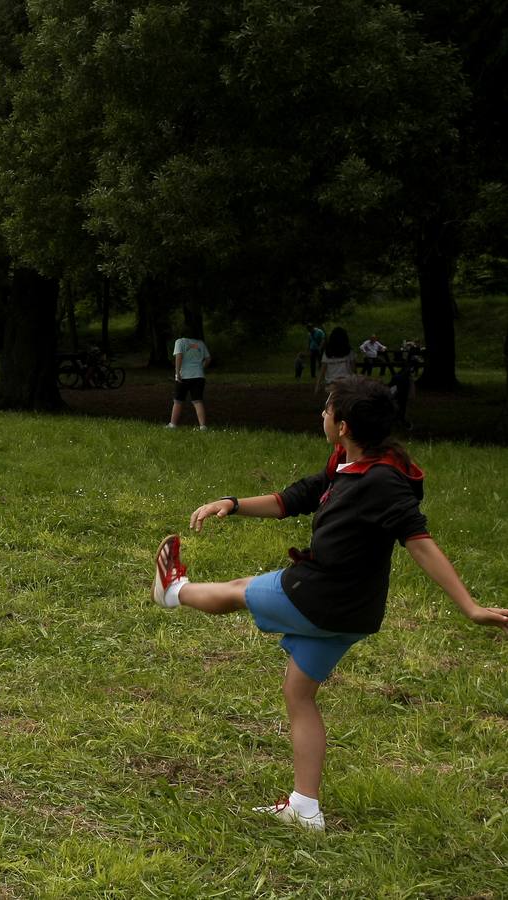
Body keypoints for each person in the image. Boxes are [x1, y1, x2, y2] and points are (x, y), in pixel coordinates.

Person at [151, 376, 508, 831]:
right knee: (299, 695)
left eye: (326, 410)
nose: (321, 415)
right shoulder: (356, 462)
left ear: (341, 425)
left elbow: (420, 542)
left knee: (240, 589)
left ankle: (172, 590)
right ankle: (305, 807)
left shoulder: (383, 480)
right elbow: (297, 497)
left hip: (320, 596)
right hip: (352, 614)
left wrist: (470, 606)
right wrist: (234, 503)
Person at [167, 335, 211, 430]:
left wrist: (177, 372)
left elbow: (179, 356)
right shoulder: (200, 343)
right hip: (199, 376)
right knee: (198, 401)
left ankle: (173, 424)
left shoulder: (180, 342)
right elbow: (208, 359)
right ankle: (203, 426)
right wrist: (200, 368)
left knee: (178, 401)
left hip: (184, 376)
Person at [314, 326, 354, 393]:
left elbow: (322, 371)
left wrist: (317, 386)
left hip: (332, 385)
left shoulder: (327, 353)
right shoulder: (349, 351)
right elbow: (353, 370)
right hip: (346, 383)